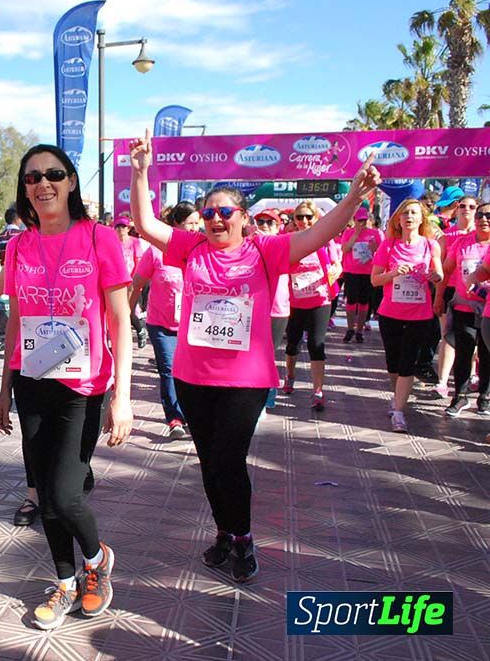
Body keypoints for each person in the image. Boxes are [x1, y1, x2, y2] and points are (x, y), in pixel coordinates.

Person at [128, 128, 380, 583]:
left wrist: (353, 200)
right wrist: (142, 171)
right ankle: (224, 532)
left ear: (243, 216)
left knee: (229, 458)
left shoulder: (267, 250)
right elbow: (145, 224)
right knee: (208, 461)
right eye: (208, 214)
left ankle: (243, 537)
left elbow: (324, 233)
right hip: (192, 376)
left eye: (225, 212)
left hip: (245, 381)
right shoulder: (191, 248)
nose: (215, 220)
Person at [0, 144, 133, 630]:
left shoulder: (99, 238)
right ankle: (66, 581)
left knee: (64, 494)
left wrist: (123, 395)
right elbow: (16, 318)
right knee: (43, 494)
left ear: (71, 181)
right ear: (24, 189)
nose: (43, 184)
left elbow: (120, 320)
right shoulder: (19, 245)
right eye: (32, 178)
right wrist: (3, 387)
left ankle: (96, 562)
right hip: (32, 380)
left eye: (53, 174)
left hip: (84, 386)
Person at [371, 199, 443, 433]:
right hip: (390, 313)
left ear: (422, 219)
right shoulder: (388, 246)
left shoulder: (431, 246)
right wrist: (393, 273)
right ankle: (398, 397)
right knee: (393, 363)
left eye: (414, 213)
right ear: (398, 221)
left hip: (419, 315)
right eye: (405, 214)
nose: (409, 217)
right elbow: (375, 280)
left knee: (407, 364)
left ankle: (399, 412)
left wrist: (433, 275)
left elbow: (440, 274)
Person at [129, 201, 199, 438]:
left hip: (193, 326)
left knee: (190, 372)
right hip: (161, 324)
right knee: (169, 370)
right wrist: (128, 315)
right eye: (190, 223)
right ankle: (175, 418)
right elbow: (137, 284)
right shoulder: (155, 251)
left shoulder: (199, 250)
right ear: (176, 224)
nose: (195, 228)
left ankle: (191, 413)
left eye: (197, 224)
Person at [281, 201, 341, 411]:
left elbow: (336, 265)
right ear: (294, 220)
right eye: (300, 217)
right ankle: (290, 377)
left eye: (309, 217)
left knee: (316, 344)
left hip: (320, 300)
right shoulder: (287, 240)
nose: (304, 221)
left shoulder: (325, 241)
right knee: (292, 344)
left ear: (316, 218)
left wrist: (335, 271)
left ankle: (318, 391)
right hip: (295, 302)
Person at [436, 200, 490, 415]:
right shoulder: (461, 243)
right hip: (464, 307)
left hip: (488, 310)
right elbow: (446, 271)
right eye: (480, 216)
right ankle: (460, 396)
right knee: (463, 352)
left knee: (487, 355)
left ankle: (484, 397)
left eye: (488, 216)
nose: (483, 220)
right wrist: (439, 297)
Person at [433, 195, 478, 397]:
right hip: (451, 290)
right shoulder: (447, 235)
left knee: (474, 337)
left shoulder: (483, 235)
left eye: (471, 206)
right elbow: (439, 266)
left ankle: (472, 374)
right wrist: (438, 295)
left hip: (479, 294)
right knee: (448, 335)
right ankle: (443, 380)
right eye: (462, 206)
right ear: (456, 209)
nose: (466, 209)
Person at [251, 208, 289, 411]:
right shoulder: (248, 245)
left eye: (270, 222)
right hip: (254, 309)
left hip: (277, 309)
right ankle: (255, 397)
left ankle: (268, 396)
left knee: (269, 355)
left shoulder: (284, 245)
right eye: (260, 222)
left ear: (278, 227)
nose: (264, 226)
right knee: (254, 354)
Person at [340, 207, 383, 343]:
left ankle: (359, 329)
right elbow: (345, 249)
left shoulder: (375, 233)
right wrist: (355, 234)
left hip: (367, 271)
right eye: (360, 220)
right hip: (351, 271)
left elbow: (381, 253)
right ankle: (349, 328)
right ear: (354, 220)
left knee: (364, 301)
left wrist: (374, 247)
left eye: (365, 220)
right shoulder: (348, 232)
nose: (362, 223)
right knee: (351, 300)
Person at [114, 214, 148, 348]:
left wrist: (134, 282)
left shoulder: (134, 242)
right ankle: (121, 340)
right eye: (117, 227)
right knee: (119, 312)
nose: (120, 229)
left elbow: (138, 261)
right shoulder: (113, 242)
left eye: (123, 226)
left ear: (128, 228)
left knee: (129, 310)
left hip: (131, 282)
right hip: (116, 283)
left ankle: (140, 331)